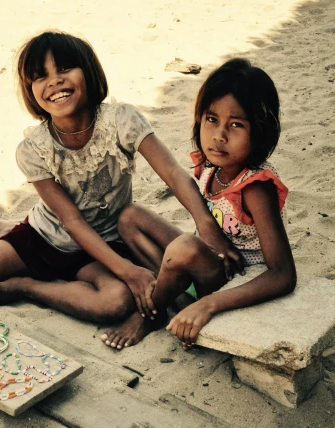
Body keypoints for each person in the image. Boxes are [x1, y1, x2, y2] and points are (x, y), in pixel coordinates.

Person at [0, 31, 241, 323]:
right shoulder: (33, 149)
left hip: (105, 243)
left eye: (65, 68)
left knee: (116, 303)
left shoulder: (122, 121)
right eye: (41, 76)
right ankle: (9, 233)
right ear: (31, 91)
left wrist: (206, 226)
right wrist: (130, 272)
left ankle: (23, 286)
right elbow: (72, 222)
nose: (55, 81)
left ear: (89, 72)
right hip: (45, 237)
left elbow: (173, 173)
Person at [100, 58, 296, 349]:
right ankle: (174, 297)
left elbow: (283, 274)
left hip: (231, 280)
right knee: (130, 217)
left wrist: (210, 305)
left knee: (184, 248)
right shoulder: (210, 168)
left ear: (260, 132)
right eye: (212, 119)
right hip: (201, 262)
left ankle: (151, 313)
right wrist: (208, 233)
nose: (219, 135)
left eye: (236, 125)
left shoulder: (255, 188)